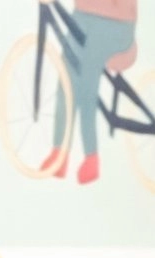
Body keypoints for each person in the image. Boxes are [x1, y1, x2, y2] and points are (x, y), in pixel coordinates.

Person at [40, 0, 139, 185]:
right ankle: (59, 151)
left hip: (114, 21)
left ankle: (91, 157)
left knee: (87, 82)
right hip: (84, 16)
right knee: (66, 77)